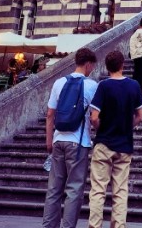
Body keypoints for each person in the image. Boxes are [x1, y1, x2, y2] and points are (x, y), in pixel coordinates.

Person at [87, 50, 142, 228]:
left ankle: (95, 226)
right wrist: (127, 127)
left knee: (98, 189)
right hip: (124, 144)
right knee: (120, 191)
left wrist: (101, 129)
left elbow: (94, 117)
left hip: (104, 143)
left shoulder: (104, 86)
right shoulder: (134, 85)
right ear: (122, 65)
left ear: (107, 67)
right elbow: (140, 116)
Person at [43, 47, 99, 228]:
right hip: (78, 142)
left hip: (58, 140)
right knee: (74, 190)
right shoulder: (91, 85)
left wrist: (48, 140)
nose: (92, 70)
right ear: (88, 64)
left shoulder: (59, 82)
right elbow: (94, 116)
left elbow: (50, 114)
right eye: (92, 66)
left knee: (54, 189)